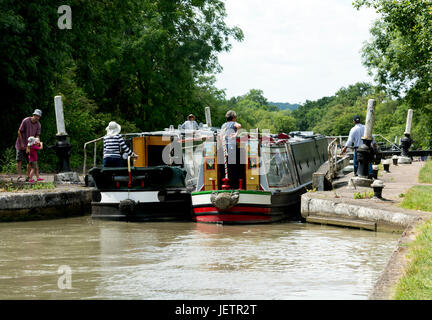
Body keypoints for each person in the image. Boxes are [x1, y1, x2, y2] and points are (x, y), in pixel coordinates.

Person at [15, 109, 42, 181]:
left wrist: (38, 142)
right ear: (33, 115)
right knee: (19, 159)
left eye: (38, 116)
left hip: (30, 145)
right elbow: (19, 131)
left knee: (30, 161)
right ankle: (19, 176)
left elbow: (37, 135)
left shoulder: (38, 124)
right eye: (36, 115)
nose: (37, 117)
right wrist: (21, 143)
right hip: (20, 143)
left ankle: (28, 176)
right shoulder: (26, 120)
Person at [220, 110, 242, 188]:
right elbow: (239, 126)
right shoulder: (233, 123)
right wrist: (236, 134)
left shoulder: (223, 125)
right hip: (232, 147)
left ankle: (225, 183)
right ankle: (234, 185)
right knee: (234, 167)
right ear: (233, 118)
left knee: (226, 167)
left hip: (224, 148)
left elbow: (221, 135)